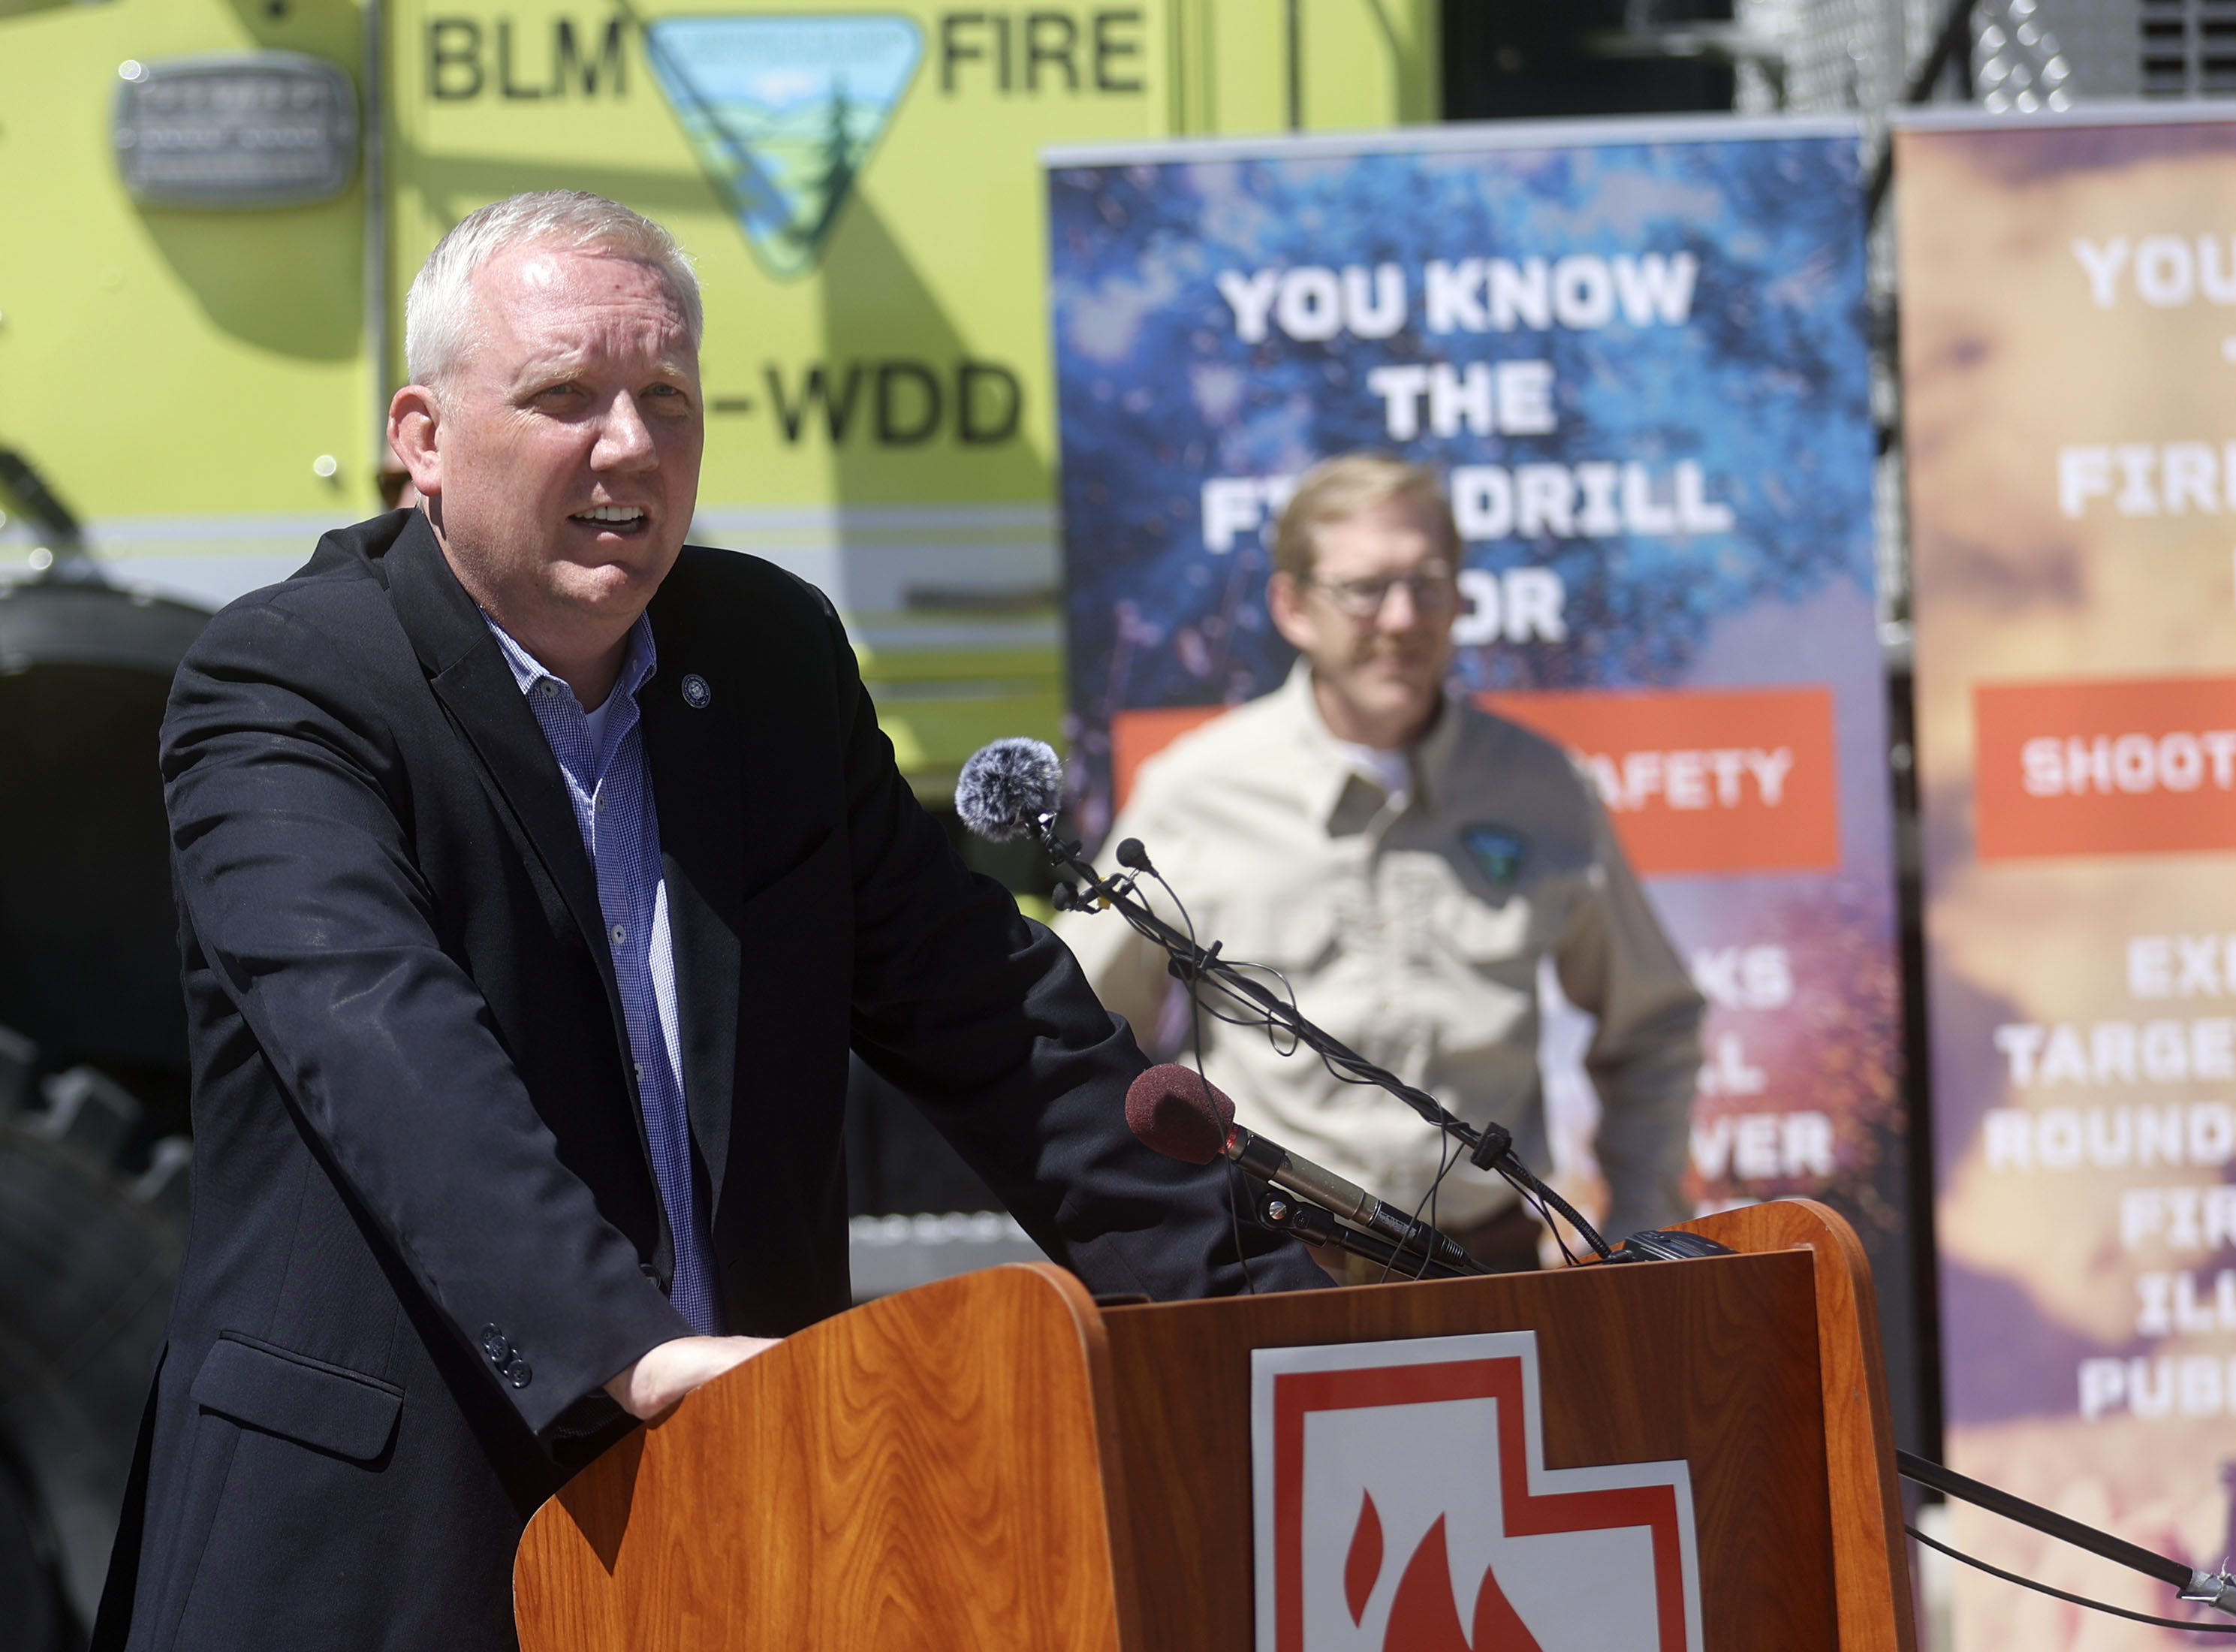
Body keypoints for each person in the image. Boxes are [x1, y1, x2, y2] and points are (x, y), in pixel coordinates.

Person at [93, 191, 1323, 1652]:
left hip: (739, 1512)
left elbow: (1000, 1021)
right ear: (420, 436)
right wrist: (635, 1347)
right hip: (385, 1547)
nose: (627, 445)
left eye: (665, 395)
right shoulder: (285, 682)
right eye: (564, 396)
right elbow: (387, 1048)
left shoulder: (770, 657)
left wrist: (1270, 1311)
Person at [1058, 453, 1704, 1275]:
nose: (1401, 618)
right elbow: (1082, 1030)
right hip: (1267, 1265)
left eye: (1428, 585)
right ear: (1292, 606)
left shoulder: (1544, 789)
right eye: (1364, 589)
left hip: (1487, 1268)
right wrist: (1156, 1237)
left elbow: (1652, 1024)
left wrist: (1644, 1232)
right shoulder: (1195, 792)